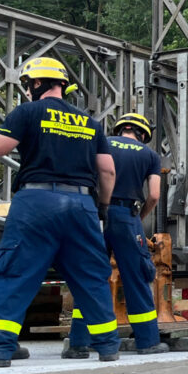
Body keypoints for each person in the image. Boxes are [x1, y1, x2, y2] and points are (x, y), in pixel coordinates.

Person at [0, 56, 120, 367]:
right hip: (81, 206)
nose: (27, 92)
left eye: (27, 86)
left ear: (36, 83)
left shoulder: (29, 111)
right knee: (91, 277)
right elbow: (107, 172)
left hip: (37, 202)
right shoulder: (90, 123)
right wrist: (102, 208)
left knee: (16, 273)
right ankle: (108, 347)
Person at [65, 112, 167, 357]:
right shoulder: (149, 155)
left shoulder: (102, 142)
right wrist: (138, 218)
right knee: (136, 277)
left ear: (120, 128)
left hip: (94, 214)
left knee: (89, 276)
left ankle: (78, 343)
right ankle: (147, 342)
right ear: (143, 134)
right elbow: (154, 195)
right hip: (126, 216)